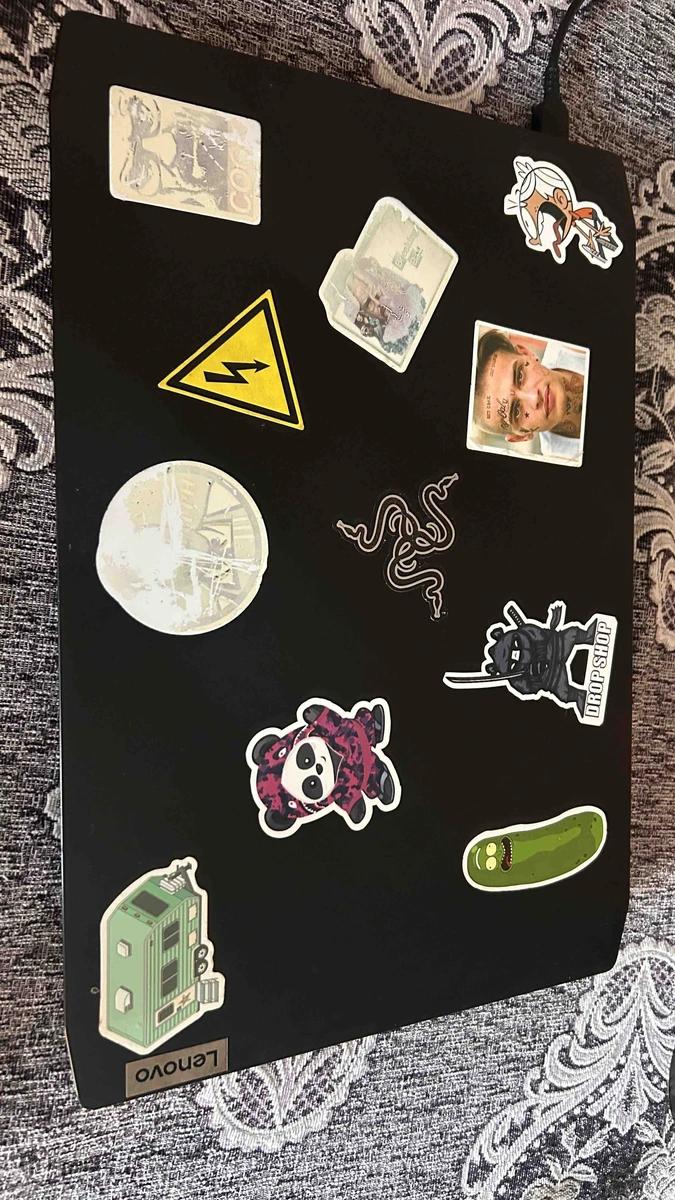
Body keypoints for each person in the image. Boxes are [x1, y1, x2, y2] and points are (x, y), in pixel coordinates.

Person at [471, 327, 586, 460]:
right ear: (520, 437)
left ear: (527, 353)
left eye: (520, 376)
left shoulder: (573, 343)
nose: (534, 397)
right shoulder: (565, 462)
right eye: (516, 411)